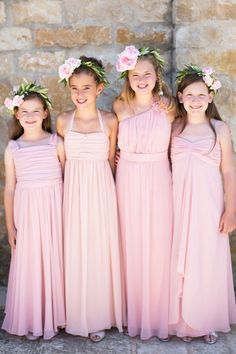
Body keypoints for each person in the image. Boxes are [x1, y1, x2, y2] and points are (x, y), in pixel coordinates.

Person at [57, 56, 124, 342]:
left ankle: (99, 315)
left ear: (99, 88)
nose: (80, 94)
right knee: (74, 249)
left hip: (101, 190)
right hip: (73, 190)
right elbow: (59, 163)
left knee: (98, 250)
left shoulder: (110, 120)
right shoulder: (62, 121)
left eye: (86, 87)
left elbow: (111, 161)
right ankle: (74, 313)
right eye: (74, 88)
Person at [169, 64, 236, 344]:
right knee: (181, 259)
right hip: (178, 205)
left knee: (206, 260)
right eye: (190, 95)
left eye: (201, 95)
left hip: (209, 207)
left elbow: (229, 171)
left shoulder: (218, 129)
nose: (195, 100)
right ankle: (186, 323)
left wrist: (231, 209)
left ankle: (206, 320)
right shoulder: (174, 127)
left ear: (210, 98)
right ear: (181, 98)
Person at [113, 45, 175, 340]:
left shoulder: (168, 107)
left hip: (159, 177)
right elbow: (112, 144)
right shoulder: (119, 106)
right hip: (127, 178)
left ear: (156, 76)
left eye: (147, 74)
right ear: (127, 76)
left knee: (158, 240)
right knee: (130, 240)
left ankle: (158, 311)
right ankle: (131, 311)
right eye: (135, 75)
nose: (141, 79)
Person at [2, 82, 66, 340]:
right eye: (25, 111)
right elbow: (9, 189)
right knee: (31, 260)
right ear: (17, 114)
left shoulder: (55, 142)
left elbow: (69, 175)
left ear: (45, 113)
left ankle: (58, 315)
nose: (30, 116)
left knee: (55, 256)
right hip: (27, 209)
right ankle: (33, 318)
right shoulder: (13, 148)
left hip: (54, 205)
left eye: (36, 111)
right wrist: (10, 227)